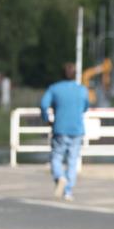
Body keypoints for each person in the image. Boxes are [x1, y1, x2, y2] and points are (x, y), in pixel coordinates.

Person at [40, 63, 89, 201]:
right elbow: (85, 107)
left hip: (60, 128)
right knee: (72, 160)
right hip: (77, 129)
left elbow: (44, 104)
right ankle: (68, 191)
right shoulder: (82, 90)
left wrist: (47, 118)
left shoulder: (54, 89)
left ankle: (59, 176)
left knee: (56, 156)